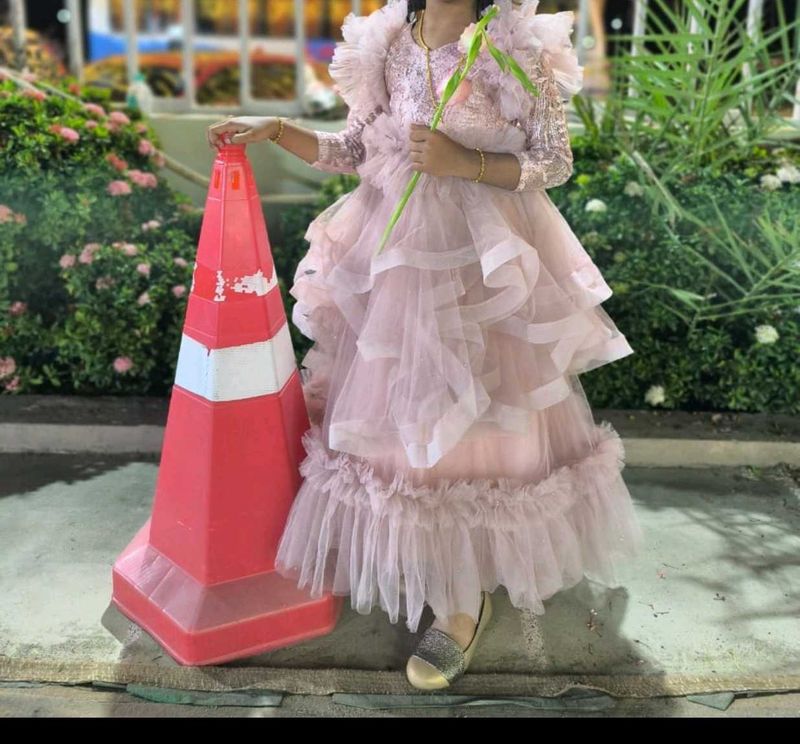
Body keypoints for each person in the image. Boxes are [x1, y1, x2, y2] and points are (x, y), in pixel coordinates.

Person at [207, 0, 644, 691]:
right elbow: (356, 148)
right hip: (395, 265)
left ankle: (462, 604)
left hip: (484, 266)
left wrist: (464, 162)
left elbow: (552, 160)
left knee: (478, 426)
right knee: (400, 424)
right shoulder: (386, 40)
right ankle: (438, 575)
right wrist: (280, 131)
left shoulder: (512, 44)